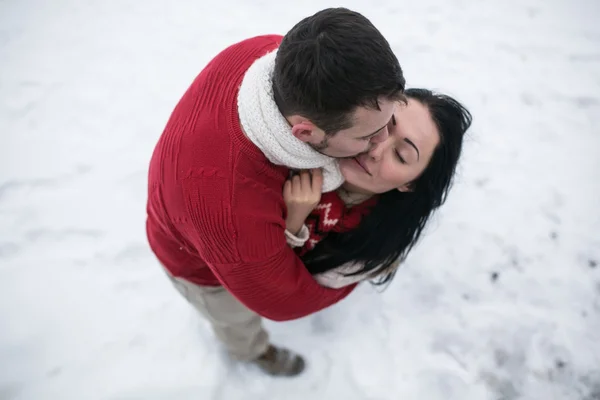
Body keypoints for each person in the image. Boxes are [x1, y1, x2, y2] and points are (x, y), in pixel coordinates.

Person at [146, 7, 405, 377]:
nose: (382, 143)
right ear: (304, 133)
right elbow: (284, 300)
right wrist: (362, 269)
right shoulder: (231, 212)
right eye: (368, 136)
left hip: (210, 203)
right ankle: (251, 352)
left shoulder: (276, 58)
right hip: (198, 264)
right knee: (235, 318)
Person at [283, 88, 472, 288]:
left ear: (410, 184)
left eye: (400, 155)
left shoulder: (367, 250)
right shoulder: (299, 133)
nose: (376, 148)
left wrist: (292, 226)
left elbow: (279, 288)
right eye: (382, 126)